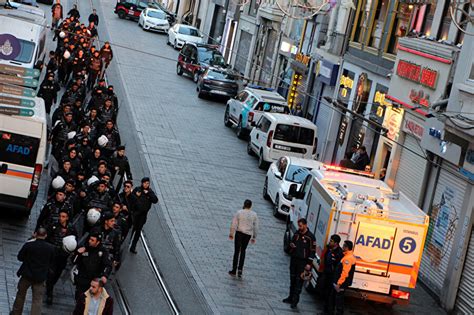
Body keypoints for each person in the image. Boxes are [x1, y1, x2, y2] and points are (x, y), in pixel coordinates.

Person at [11, 228, 55, 315]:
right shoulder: (50, 248)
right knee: (37, 300)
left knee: (20, 295)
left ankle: (16, 312)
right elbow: (52, 262)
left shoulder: (29, 245)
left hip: (27, 275)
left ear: (35, 234)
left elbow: (20, 257)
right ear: (45, 235)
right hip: (40, 277)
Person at [45, 210, 77, 305]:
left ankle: (50, 285)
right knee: (51, 272)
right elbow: (47, 237)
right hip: (53, 253)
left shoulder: (71, 228)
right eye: (60, 216)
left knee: (58, 273)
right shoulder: (54, 225)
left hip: (63, 255)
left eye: (63, 216)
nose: (61, 218)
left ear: (67, 217)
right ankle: (49, 292)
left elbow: (75, 240)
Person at [283, 218, 316, 309]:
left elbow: (312, 251)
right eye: (299, 226)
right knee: (292, 279)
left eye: (301, 226)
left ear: (305, 225)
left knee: (299, 281)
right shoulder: (297, 234)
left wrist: (309, 263)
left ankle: (295, 301)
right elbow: (291, 244)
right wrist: (291, 246)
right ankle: (290, 297)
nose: (299, 227)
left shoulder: (310, 237)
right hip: (294, 260)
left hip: (303, 262)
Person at [72, 233, 112, 299]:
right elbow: (73, 261)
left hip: (93, 281)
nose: (89, 241)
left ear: (97, 242)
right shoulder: (84, 247)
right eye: (90, 239)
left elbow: (108, 265)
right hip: (82, 279)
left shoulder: (103, 251)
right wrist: (78, 253)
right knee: (79, 299)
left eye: (92, 240)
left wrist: (105, 275)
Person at [228, 199, 258, 278]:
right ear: (251, 206)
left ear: (244, 204)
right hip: (247, 235)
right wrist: (254, 236)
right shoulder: (254, 215)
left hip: (239, 233)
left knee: (237, 251)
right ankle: (240, 269)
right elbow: (256, 226)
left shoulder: (239, 212)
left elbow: (234, 223)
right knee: (243, 250)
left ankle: (234, 270)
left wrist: (231, 233)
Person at [129, 177, 158, 254]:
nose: (146, 184)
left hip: (143, 215)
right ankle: (127, 243)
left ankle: (133, 246)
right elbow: (131, 198)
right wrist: (137, 196)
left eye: (147, 183)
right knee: (131, 229)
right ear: (142, 183)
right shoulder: (137, 189)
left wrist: (148, 193)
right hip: (135, 214)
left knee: (138, 232)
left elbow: (155, 200)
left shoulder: (150, 192)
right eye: (145, 183)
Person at [328, 240, 356, 315]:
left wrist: (339, 283)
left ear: (347, 247)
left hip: (341, 284)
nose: (342, 247)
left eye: (343, 246)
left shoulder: (348, 258)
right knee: (334, 299)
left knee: (338, 301)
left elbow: (345, 273)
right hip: (340, 283)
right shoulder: (347, 256)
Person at [321, 235, 343, 313]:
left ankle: (328, 311)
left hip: (332, 276)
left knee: (330, 295)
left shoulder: (339, 253)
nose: (329, 242)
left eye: (331, 241)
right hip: (326, 274)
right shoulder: (329, 249)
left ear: (336, 243)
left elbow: (338, 267)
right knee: (324, 293)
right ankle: (324, 310)